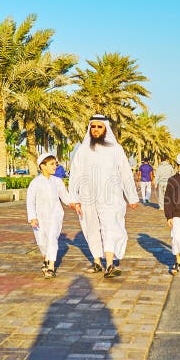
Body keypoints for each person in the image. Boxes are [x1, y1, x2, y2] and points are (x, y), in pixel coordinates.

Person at [69, 114, 139, 278]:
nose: (96, 130)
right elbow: (75, 174)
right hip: (88, 197)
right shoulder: (83, 150)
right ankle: (97, 262)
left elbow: (125, 173)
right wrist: (73, 198)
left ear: (106, 128)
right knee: (91, 228)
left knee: (111, 227)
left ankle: (110, 264)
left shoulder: (116, 149)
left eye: (99, 127)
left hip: (111, 196)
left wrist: (132, 196)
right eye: (93, 127)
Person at [27, 153, 80, 279]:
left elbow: (65, 197)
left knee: (52, 239)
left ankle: (51, 266)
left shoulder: (58, 181)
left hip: (55, 215)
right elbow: (30, 201)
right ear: (43, 166)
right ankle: (46, 258)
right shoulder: (35, 183)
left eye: (55, 163)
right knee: (41, 241)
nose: (55, 166)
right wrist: (32, 217)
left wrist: (74, 204)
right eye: (52, 164)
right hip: (39, 218)